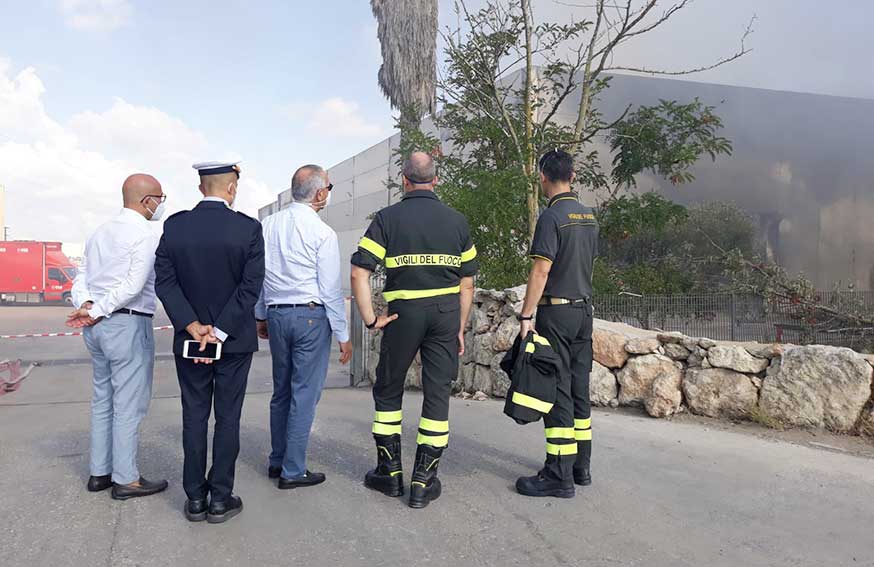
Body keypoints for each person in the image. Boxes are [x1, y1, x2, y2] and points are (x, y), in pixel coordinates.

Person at [351, 151, 478, 509]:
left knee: (389, 389)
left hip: (403, 315)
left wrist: (371, 318)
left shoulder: (388, 219)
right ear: (435, 180)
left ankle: (389, 474)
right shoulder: (457, 221)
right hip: (445, 313)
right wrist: (460, 328)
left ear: (404, 180)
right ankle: (424, 481)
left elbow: (359, 272)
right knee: (437, 394)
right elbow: (466, 282)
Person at [154, 161, 265, 524]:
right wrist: (218, 331)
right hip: (232, 342)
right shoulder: (248, 229)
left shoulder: (175, 226)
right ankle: (220, 498)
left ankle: (195, 499)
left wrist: (192, 325)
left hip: (190, 341)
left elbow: (165, 283)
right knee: (228, 418)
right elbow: (250, 288)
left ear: (201, 187)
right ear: (232, 188)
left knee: (195, 416)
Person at [67, 173, 169, 500]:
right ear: (146, 201)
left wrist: (86, 305)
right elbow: (133, 286)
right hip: (126, 323)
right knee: (128, 403)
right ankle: (126, 478)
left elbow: (81, 277)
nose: (161, 204)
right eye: (160, 198)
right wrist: (97, 309)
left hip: (96, 329)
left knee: (102, 399)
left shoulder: (100, 232)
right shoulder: (146, 235)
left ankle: (100, 472)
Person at [255, 164, 352, 489]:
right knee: (305, 394)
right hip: (311, 316)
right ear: (320, 193)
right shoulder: (322, 232)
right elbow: (329, 288)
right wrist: (343, 334)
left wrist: (261, 315)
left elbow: (260, 276)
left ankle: (277, 459)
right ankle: (293, 470)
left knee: (281, 391)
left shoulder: (268, 225)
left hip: (278, 314)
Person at [515, 149, 599, 499]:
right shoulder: (590, 216)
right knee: (579, 389)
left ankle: (558, 474)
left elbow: (541, 269)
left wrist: (526, 315)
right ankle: (581, 467)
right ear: (574, 175)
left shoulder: (552, 217)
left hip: (557, 314)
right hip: (583, 312)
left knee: (558, 391)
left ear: (542, 177)